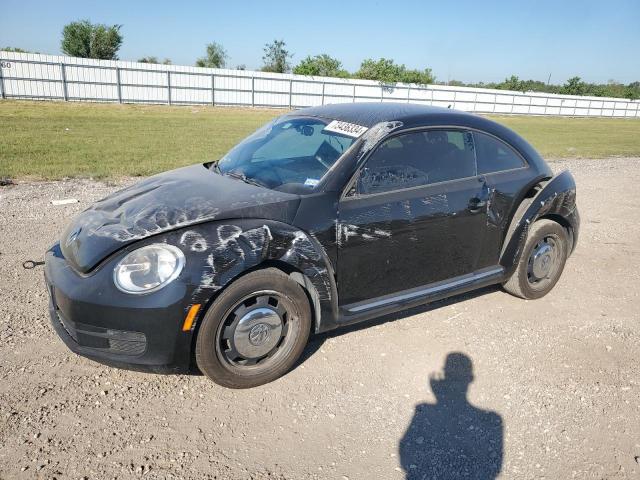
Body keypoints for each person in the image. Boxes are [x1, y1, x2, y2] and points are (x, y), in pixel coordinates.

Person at [399, 352, 503, 479]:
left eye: (454, 377)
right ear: (471, 378)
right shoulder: (491, 419)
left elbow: (406, 455)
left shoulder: (424, 411)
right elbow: (492, 468)